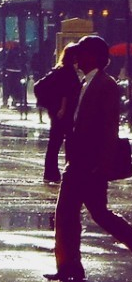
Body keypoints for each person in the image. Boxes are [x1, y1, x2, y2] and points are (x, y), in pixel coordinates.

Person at [45, 34, 132, 282]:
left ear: (96, 56)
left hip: (90, 162)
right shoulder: (83, 82)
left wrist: (103, 165)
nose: (77, 57)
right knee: (81, 213)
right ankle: (71, 266)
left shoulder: (106, 84)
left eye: (82, 52)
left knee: (84, 212)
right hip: (77, 160)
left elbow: (109, 129)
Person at [36, 44, 82, 184]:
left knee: (54, 143)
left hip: (56, 111)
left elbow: (40, 86)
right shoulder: (68, 71)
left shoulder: (58, 70)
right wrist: (62, 108)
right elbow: (65, 92)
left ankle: (51, 173)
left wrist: (52, 106)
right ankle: (70, 171)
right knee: (70, 142)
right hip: (65, 112)